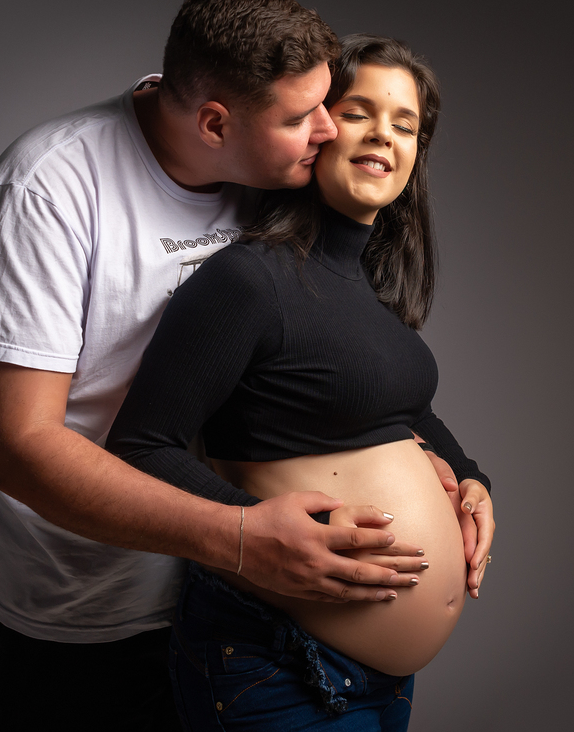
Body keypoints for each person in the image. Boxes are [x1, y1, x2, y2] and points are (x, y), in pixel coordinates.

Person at [0, 0, 492, 730]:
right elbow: (20, 448)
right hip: (87, 599)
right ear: (214, 123)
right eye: (304, 118)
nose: (327, 130)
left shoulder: (271, 176)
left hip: (238, 596)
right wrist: (242, 535)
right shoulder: (50, 188)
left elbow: (341, 366)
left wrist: (455, 469)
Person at [108, 35, 493, 730]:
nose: (384, 134)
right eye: (358, 112)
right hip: (279, 664)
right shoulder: (249, 279)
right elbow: (140, 446)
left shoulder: (369, 293)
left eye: (405, 124)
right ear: (316, 129)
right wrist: (255, 531)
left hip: (379, 681)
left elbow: (406, 411)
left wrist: (470, 477)